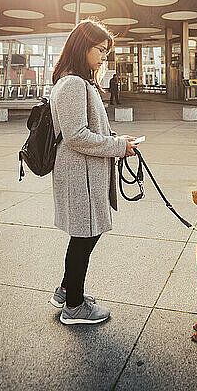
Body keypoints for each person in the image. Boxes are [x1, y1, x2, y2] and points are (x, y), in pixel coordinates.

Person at [48, 19, 137, 325]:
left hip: (83, 172)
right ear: (82, 46)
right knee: (85, 237)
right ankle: (73, 307)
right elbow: (76, 136)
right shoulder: (73, 83)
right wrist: (116, 147)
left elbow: (86, 128)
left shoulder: (74, 80)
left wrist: (118, 140)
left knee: (84, 235)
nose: (104, 57)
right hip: (80, 173)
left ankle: (66, 291)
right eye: (100, 50)